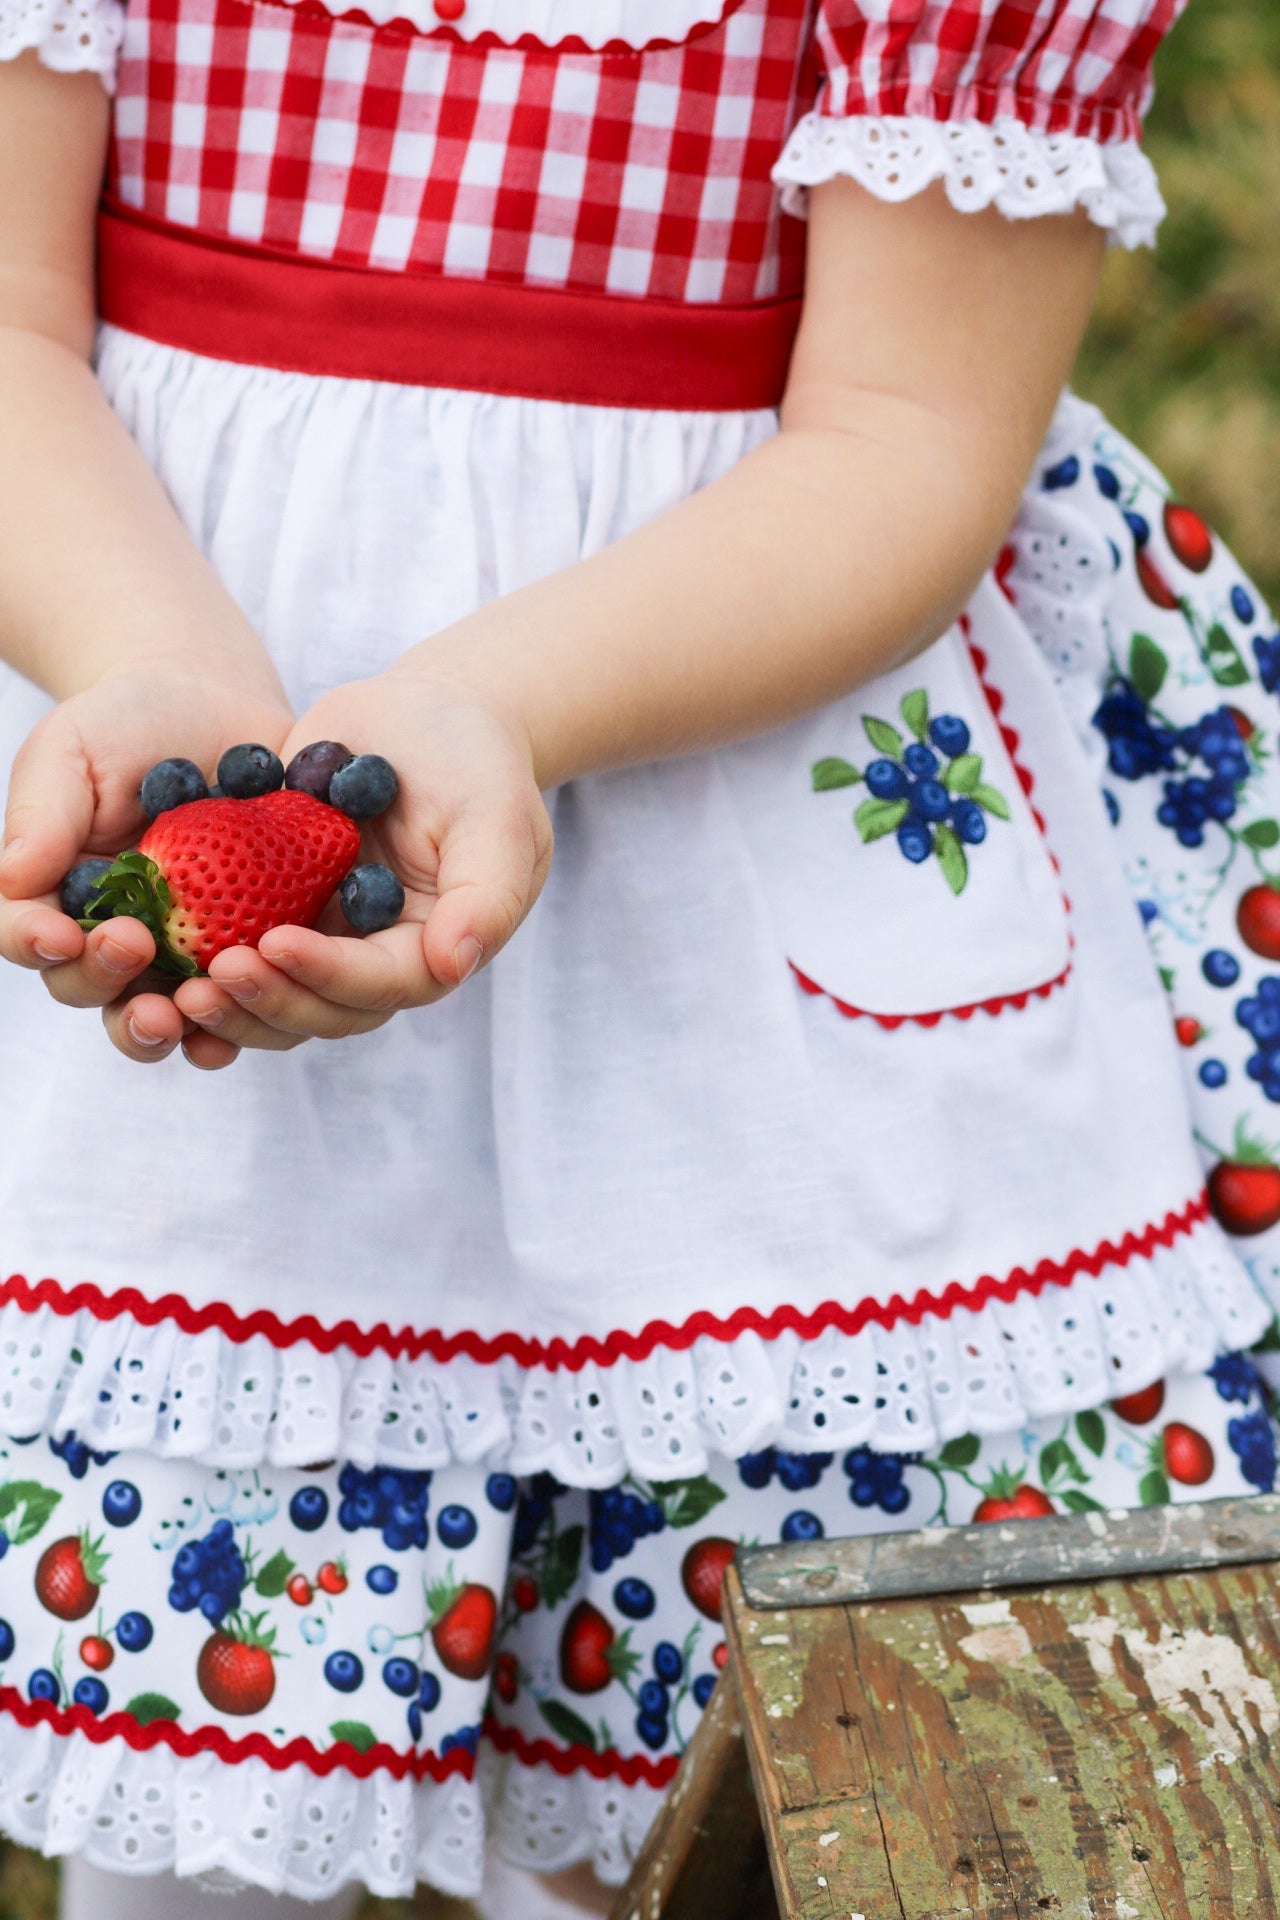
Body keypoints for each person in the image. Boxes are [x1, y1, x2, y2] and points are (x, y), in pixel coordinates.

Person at [0, 0, 1276, 1915]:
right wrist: (159, 690)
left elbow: (908, 435)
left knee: (712, 1776)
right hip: (153, 649)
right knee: (193, 1835)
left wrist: (484, 705)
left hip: (725, 846)